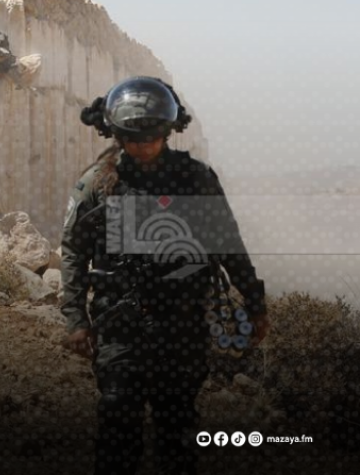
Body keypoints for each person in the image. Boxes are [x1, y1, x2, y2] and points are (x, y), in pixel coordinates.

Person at [60, 75, 269, 475]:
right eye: (133, 138)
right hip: (120, 328)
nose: (143, 146)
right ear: (116, 134)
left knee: (177, 431)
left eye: (151, 137)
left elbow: (227, 243)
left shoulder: (196, 179)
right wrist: (75, 319)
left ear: (168, 131)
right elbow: (73, 250)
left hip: (182, 328)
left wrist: (255, 302)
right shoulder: (99, 182)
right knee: (117, 425)